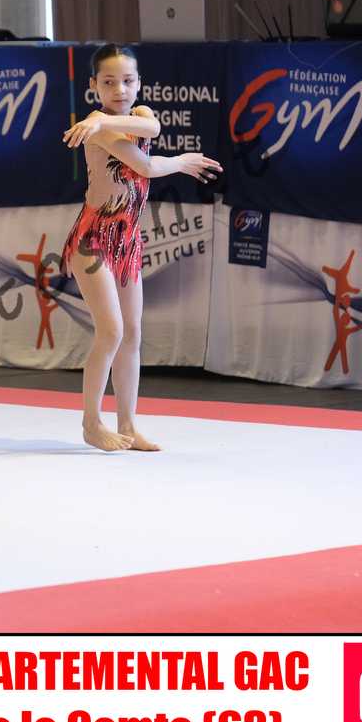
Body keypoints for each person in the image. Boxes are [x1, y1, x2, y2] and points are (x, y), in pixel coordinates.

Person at [60, 44, 221, 453]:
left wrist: (102, 119)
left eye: (128, 81)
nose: (119, 89)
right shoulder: (98, 129)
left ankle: (128, 426)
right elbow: (145, 166)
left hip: (127, 240)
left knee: (132, 333)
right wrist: (179, 161)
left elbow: (153, 130)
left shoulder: (132, 117)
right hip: (94, 239)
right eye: (109, 82)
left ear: (139, 84)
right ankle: (91, 423)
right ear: (94, 85)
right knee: (111, 331)